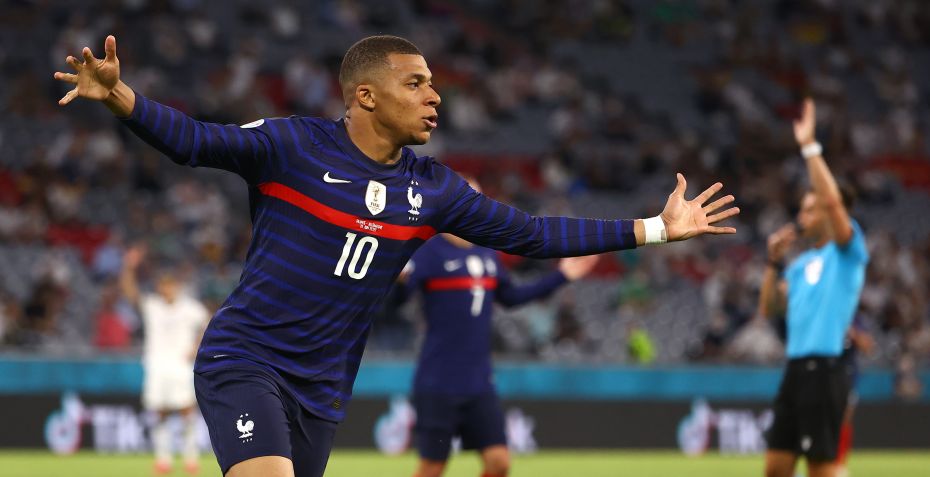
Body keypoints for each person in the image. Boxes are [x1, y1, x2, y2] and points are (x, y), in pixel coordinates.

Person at [55, 34, 739, 477]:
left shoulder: (434, 189)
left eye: (434, 84)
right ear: (365, 95)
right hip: (247, 358)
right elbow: (194, 140)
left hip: (322, 387)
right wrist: (119, 95)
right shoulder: (293, 146)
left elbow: (532, 234)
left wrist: (656, 228)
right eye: (415, 83)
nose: (434, 96)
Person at [398, 179, 599, 477]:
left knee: (499, 462)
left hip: (479, 381)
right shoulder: (429, 252)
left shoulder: (487, 252)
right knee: (432, 467)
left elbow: (511, 297)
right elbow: (400, 297)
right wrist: (396, 278)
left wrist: (562, 276)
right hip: (438, 379)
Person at [759, 99, 869, 477]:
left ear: (828, 211)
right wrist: (773, 263)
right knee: (775, 468)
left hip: (825, 370)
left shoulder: (848, 251)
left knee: (820, 470)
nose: (802, 216)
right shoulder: (799, 264)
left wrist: (809, 147)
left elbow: (835, 203)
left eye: (811, 208)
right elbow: (769, 309)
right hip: (794, 369)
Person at [120, 245, 209, 474]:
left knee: (187, 411)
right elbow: (130, 293)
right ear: (159, 286)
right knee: (159, 412)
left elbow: (208, 323)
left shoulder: (190, 307)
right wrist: (128, 267)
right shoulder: (152, 305)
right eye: (163, 285)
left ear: (176, 286)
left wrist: (197, 347)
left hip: (180, 367)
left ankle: (191, 457)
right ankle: (163, 459)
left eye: (170, 284)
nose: (166, 288)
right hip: (157, 366)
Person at [835, 317, 874, 477]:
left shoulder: (855, 319)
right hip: (824, 374)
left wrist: (853, 333)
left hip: (848, 376)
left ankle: (839, 463)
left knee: (845, 418)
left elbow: (868, 347)